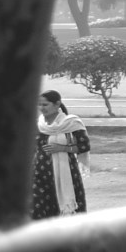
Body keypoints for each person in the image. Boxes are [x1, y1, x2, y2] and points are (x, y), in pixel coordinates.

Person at [36, 88, 90, 217]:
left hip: (66, 172)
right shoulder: (40, 124)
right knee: (37, 208)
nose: (42, 108)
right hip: (40, 174)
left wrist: (62, 148)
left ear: (57, 104)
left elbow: (84, 146)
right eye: (39, 105)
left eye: (45, 104)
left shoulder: (71, 123)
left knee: (67, 211)